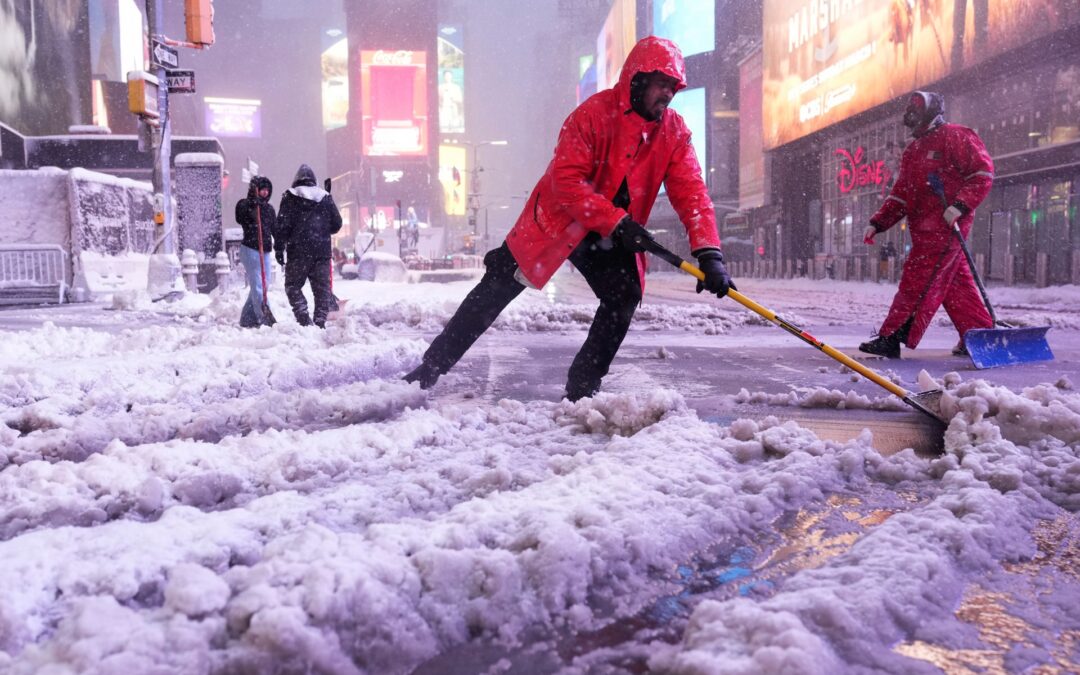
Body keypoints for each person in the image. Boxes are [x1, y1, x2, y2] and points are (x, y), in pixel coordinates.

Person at [404, 36, 732, 400]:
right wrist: (618, 222)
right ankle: (431, 367)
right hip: (557, 221)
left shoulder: (673, 132)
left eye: (673, 87)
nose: (667, 94)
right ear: (637, 80)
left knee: (624, 296)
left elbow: (692, 194)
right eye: (661, 84)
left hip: (609, 234)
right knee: (495, 288)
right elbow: (567, 182)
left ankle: (582, 388)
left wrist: (709, 254)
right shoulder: (592, 115)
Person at [859, 91, 994, 358]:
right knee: (955, 284)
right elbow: (901, 195)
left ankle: (891, 336)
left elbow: (982, 173)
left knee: (918, 280)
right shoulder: (914, 151)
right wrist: (879, 222)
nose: (910, 117)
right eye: (909, 112)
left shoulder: (957, 136)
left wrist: (960, 205)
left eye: (916, 111)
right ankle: (980, 335)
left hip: (946, 227)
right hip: (923, 230)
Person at [274, 164, 343, 328]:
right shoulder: (325, 197)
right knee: (322, 291)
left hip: (298, 252)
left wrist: (279, 248)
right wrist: (323, 228)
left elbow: (282, 226)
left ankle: (304, 319)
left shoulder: (289, 197)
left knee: (292, 286)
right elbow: (337, 224)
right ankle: (319, 322)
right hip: (322, 253)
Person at [235, 175, 276, 327]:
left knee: (263, 285)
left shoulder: (269, 209)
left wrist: (280, 245)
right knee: (258, 285)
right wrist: (252, 203)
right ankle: (265, 318)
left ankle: (247, 318)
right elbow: (239, 217)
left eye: (267, 190)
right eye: (262, 189)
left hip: (264, 251)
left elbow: (275, 229)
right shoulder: (245, 205)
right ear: (255, 189)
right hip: (250, 250)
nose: (265, 193)